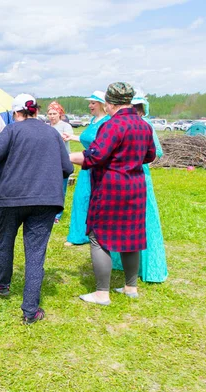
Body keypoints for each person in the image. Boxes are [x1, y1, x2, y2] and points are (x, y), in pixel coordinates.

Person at [0, 94, 74, 324]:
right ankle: (30, 310)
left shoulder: (11, 130)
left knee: (6, 241)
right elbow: (67, 168)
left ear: (16, 112)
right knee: (35, 255)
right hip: (44, 201)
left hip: (10, 199)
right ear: (36, 111)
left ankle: (2, 284)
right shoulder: (52, 133)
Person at [69, 82, 156, 305]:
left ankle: (101, 293)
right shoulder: (144, 126)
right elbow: (150, 156)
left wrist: (65, 158)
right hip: (135, 187)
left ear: (108, 103)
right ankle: (130, 287)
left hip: (111, 188)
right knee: (131, 237)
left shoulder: (112, 125)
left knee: (99, 237)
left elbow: (94, 156)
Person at [110, 95, 168, 283]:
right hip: (135, 175)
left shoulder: (143, 125)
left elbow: (157, 152)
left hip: (138, 176)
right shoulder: (139, 125)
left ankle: (148, 268)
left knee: (145, 221)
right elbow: (156, 153)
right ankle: (124, 263)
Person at [63, 91, 110, 246]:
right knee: (81, 198)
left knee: (98, 201)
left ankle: (99, 233)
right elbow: (88, 138)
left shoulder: (107, 121)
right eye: (90, 103)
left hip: (100, 167)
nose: (90, 106)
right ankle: (78, 235)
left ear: (102, 104)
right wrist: (72, 137)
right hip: (86, 167)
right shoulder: (93, 120)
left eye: (93, 103)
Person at [47, 101, 73, 224]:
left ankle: (57, 214)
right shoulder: (47, 126)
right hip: (49, 160)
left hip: (62, 161)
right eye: (50, 113)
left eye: (54, 113)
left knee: (61, 188)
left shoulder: (65, 126)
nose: (52, 116)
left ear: (60, 114)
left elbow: (66, 138)